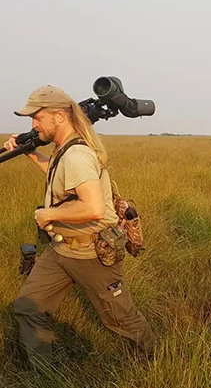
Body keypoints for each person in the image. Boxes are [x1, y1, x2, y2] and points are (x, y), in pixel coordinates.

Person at [5, 85, 154, 369]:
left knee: (121, 320)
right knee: (27, 307)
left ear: (59, 116)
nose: (33, 125)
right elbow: (61, 176)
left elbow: (93, 207)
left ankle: (151, 365)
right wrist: (29, 153)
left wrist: (47, 214)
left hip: (90, 254)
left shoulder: (76, 154)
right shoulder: (67, 149)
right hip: (62, 250)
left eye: (37, 118)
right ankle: (43, 374)